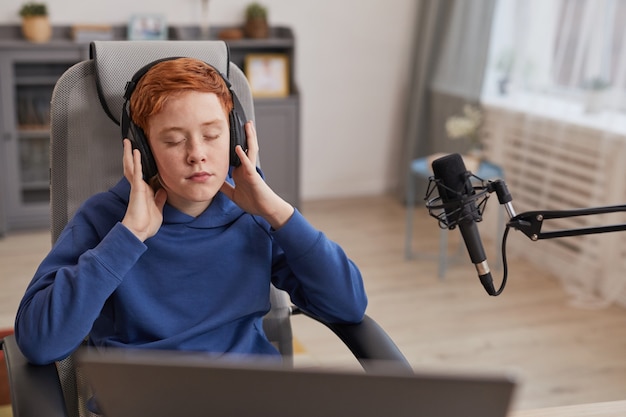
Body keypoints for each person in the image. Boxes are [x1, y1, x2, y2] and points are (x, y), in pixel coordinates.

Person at [14, 57, 367, 365]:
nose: (197, 153)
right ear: (142, 150)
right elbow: (40, 344)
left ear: (236, 138)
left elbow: (347, 305)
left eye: (212, 135)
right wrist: (128, 237)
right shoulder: (105, 220)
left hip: (254, 398)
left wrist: (277, 212)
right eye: (173, 140)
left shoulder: (255, 215)